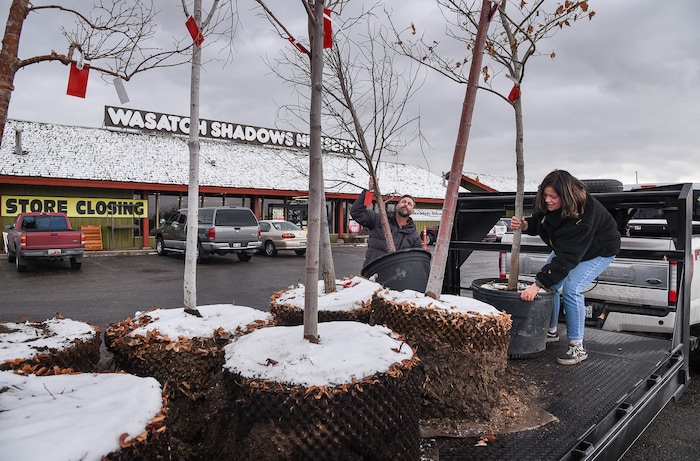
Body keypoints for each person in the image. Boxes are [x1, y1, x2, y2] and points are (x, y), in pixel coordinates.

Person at [510, 170, 621, 365]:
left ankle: (577, 347)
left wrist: (536, 285)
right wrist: (526, 224)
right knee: (550, 285)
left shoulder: (583, 217)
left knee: (572, 289)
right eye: (545, 195)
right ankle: (551, 331)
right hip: (570, 248)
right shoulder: (551, 206)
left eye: (553, 196)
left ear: (566, 195)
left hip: (599, 249)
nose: (548, 200)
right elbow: (542, 219)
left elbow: (567, 258)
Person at [350, 178, 423, 269]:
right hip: (373, 271)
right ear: (397, 206)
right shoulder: (379, 220)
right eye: (403, 202)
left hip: (397, 277)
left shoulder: (414, 236)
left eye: (409, 204)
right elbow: (357, 213)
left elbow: (417, 261)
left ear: (412, 211)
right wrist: (369, 192)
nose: (405, 204)